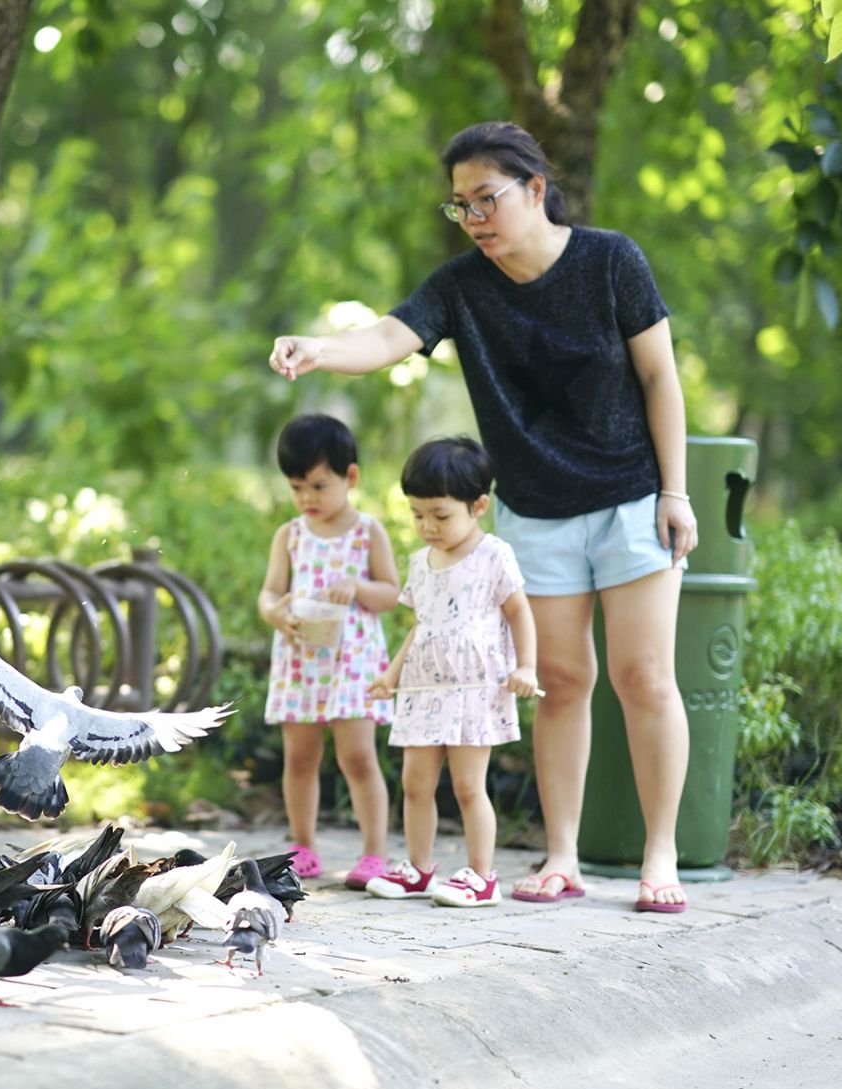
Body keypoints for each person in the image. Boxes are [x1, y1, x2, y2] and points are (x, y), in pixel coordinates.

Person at [268, 121, 699, 914]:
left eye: (487, 199)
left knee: (644, 677)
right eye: (460, 206)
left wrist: (676, 490)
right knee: (563, 680)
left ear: (536, 189)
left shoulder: (612, 261)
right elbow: (392, 334)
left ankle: (659, 853)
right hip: (534, 511)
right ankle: (561, 855)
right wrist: (319, 348)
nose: (474, 219)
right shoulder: (464, 286)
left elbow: (660, 376)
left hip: (631, 497)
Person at [364, 437, 537, 905]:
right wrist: (391, 675)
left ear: (478, 505)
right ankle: (418, 869)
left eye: (440, 515)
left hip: (473, 688)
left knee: (466, 785)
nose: (427, 526)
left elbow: (519, 611)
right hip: (422, 688)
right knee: (415, 782)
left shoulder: (493, 555)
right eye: (418, 514)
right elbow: (421, 625)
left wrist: (527, 665)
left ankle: (483, 877)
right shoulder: (420, 562)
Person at [258, 414, 399, 889]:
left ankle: (374, 853)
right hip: (301, 658)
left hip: (352, 660)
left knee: (357, 756)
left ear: (350, 477)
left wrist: (357, 585)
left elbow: (391, 593)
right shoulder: (290, 535)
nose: (306, 499)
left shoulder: (366, 532)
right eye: (297, 488)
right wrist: (277, 614)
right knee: (299, 757)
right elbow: (269, 594)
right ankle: (303, 844)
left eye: (318, 486)